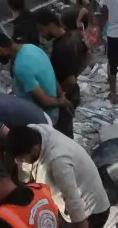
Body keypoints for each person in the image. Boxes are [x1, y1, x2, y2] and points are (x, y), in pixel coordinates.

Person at [8, 124, 109, 228]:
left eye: (21, 158)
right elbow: (25, 175)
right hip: (64, 204)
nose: (18, 162)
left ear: (36, 149)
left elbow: (75, 204)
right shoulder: (34, 132)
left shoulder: (58, 161)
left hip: (90, 212)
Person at [0, 31, 68, 121]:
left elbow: (45, 102)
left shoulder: (21, 66)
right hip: (50, 112)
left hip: (40, 119)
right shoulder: (32, 48)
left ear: (0, 50)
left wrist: (64, 103)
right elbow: (51, 75)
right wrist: (61, 95)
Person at [36, 8, 90, 137]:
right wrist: (77, 71)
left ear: (50, 25)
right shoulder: (73, 36)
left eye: (41, 30)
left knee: (62, 133)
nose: (42, 35)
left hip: (66, 95)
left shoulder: (63, 46)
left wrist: (60, 97)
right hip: (72, 92)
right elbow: (87, 56)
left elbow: (70, 80)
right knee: (65, 129)